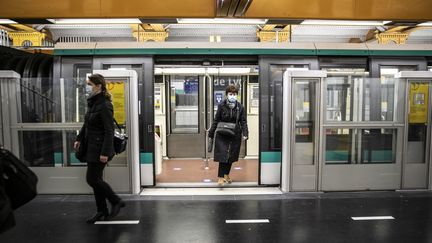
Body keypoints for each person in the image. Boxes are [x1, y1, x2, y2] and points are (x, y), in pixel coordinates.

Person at [73, 74, 125, 223]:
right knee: (96, 180)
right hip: (91, 146)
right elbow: (87, 124)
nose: (88, 87)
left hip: (100, 149)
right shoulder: (94, 103)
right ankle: (101, 210)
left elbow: (109, 130)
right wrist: (79, 139)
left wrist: (105, 152)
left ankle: (116, 201)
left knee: (92, 179)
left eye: (90, 84)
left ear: (98, 86)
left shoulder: (104, 105)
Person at [208, 85, 248, 186]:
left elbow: (243, 121)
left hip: (235, 134)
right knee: (223, 156)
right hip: (222, 134)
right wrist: (211, 133)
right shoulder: (222, 106)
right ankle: (221, 177)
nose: (232, 96)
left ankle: (226, 175)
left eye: (234, 94)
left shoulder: (240, 107)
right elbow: (216, 120)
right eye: (230, 94)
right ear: (226, 95)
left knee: (231, 156)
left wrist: (245, 133)